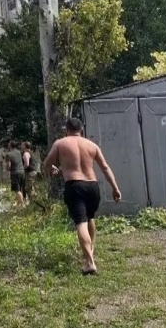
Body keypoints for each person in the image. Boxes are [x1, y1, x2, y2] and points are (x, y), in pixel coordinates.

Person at [44, 118, 121, 275]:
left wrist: (52, 170)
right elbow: (105, 167)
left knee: (81, 223)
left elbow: (47, 163)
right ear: (82, 130)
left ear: (67, 130)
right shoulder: (92, 145)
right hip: (93, 186)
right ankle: (89, 253)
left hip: (74, 186)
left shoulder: (60, 143)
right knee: (90, 217)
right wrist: (115, 188)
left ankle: (90, 262)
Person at [5, 140, 27, 208]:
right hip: (22, 172)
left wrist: (7, 168)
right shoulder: (19, 152)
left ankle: (23, 205)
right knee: (21, 188)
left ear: (10, 145)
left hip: (15, 173)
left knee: (17, 190)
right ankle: (20, 203)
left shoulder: (8, 154)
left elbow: (9, 165)